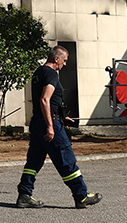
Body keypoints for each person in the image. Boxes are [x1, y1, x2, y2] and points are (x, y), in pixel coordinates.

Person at [15, 45, 102, 209]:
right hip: (49, 123)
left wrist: (62, 116)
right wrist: (51, 125)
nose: (65, 64)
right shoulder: (51, 73)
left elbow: (48, 101)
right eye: (65, 60)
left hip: (38, 122)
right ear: (56, 59)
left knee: (34, 161)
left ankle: (24, 194)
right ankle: (81, 196)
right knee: (66, 159)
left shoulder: (38, 73)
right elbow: (44, 100)